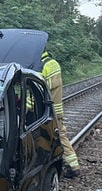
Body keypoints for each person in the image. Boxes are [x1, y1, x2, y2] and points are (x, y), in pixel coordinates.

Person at [41, 50, 80, 178]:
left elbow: (40, 90)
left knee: (58, 137)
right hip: (56, 109)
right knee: (59, 135)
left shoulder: (41, 67)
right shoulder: (53, 63)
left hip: (47, 110)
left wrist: (26, 105)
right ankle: (65, 163)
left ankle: (73, 167)